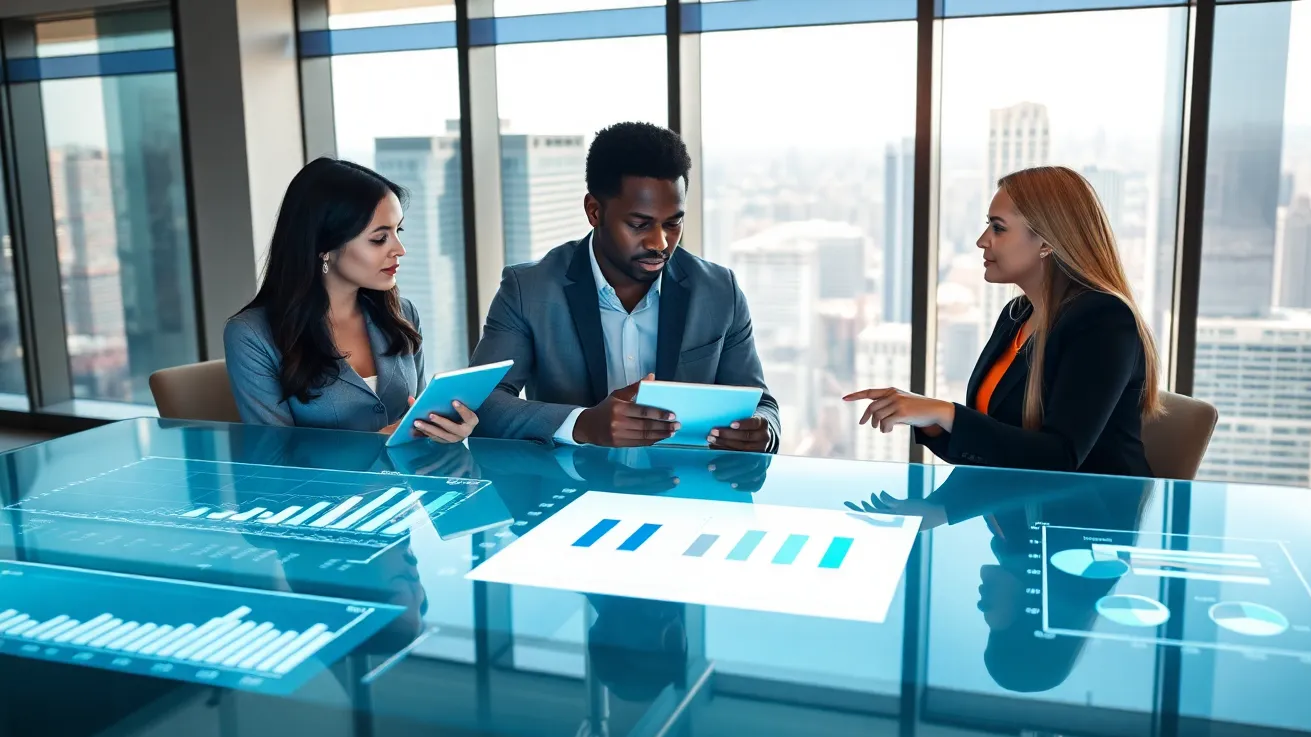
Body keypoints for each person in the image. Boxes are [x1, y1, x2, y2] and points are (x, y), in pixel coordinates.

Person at [469, 122, 780, 452]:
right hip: (572, 481)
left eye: (673, 223)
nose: (660, 243)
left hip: (684, 479)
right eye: (639, 224)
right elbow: (481, 404)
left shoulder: (719, 291)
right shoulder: (528, 290)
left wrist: (762, 431)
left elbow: (761, 404)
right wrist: (583, 424)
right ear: (594, 211)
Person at [845, 166, 1161, 477]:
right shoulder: (1017, 314)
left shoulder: (1104, 321)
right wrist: (931, 420)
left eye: (998, 228)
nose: (982, 241)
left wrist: (945, 412)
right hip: (1018, 503)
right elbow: (997, 445)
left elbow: (1059, 457)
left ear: (1046, 242)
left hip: (1094, 508)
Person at [225, 158, 477, 443]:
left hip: (409, 473)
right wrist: (372, 444)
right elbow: (273, 453)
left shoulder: (403, 314)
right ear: (324, 247)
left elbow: (415, 419)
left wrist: (445, 431)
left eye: (398, 231)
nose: (400, 249)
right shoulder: (251, 335)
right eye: (379, 239)